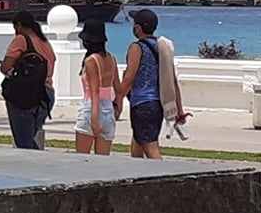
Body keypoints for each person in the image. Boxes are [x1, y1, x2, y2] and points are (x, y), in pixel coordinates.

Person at [116, 8, 185, 160]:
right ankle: (138, 175)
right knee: (137, 143)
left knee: (151, 146)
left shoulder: (137, 47)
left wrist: (117, 99)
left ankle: (162, 177)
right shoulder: (162, 47)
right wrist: (179, 109)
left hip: (142, 103)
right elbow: (172, 80)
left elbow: (129, 78)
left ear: (138, 28)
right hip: (157, 104)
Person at [0, 10, 57, 149]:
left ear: (19, 25)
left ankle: (36, 168)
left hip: (26, 95)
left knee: (24, 143)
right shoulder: (44, 43)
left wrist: (4, 67)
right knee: (28, 138)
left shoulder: (21, 40)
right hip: (46, 95)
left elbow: (6, 67)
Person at [74, 19, 119, 155]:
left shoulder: (90, 61)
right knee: (103, 162)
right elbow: (118, 87)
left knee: (83, 159)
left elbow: (95, 91)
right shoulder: (111, 58)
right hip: (108, 111)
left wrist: (94, 119)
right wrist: (118, 106)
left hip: (91, 110)